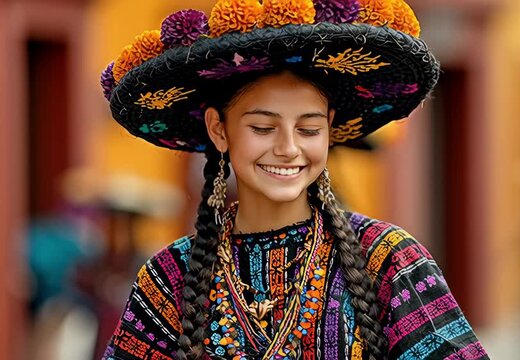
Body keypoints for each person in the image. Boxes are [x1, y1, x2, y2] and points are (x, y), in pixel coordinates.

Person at [99, 1, 489, 359]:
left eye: (308, 129)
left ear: (329, 129)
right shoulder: (169, 277)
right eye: (263, 127)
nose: (288, 149)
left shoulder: (389, 260)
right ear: (219, 130)